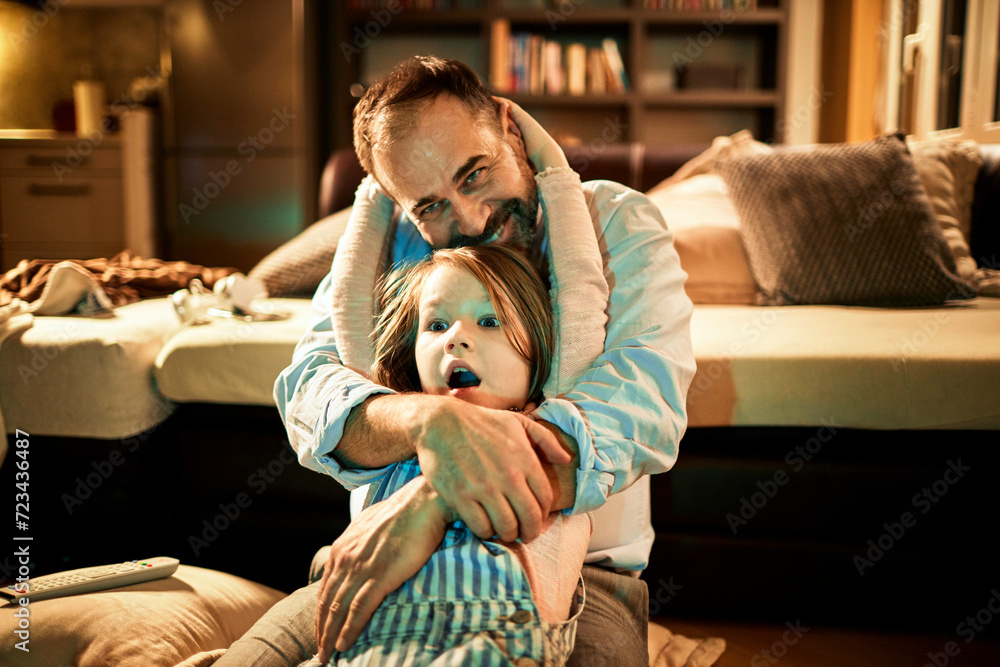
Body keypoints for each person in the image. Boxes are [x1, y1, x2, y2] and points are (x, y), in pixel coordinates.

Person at [217, 55, 695, 666]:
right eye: (430, 206)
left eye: (474, 174)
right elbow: (309, 392)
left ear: (508, 130)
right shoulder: (380, 251)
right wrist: (429, 423)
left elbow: (642, 403)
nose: (470, 222)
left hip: (580, 578)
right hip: (380, 557)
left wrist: (435, 497)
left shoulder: (616, 221)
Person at [314, 244, 592, 665]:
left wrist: (554, 176)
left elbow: (581, 292)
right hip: (369, 644)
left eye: (489, 320)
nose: (456, 338)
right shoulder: (398, 427)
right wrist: (377, 187)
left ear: (540, 349)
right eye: (437, 324)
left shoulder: (543, 432)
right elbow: (349, 302)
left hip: (492, 642)